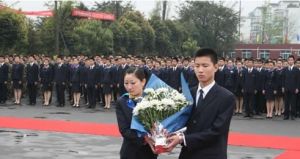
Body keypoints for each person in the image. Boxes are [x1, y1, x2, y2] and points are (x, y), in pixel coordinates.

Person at [165, 48, 235, 159]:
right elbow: (182, 122)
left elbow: (216, 131)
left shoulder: (226, 97)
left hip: (211, 154)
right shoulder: (188, 93)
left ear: (216, 67)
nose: (200, 70)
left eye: (205, 66)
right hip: (188, 154)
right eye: (197, 66)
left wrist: (182, 139)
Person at [115, 67, 157, 159]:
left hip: (149, 151)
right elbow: (124, 130)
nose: (129, 87)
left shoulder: (153, 100)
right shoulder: (122, 102)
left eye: (133, 83)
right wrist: (145, 138)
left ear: (143, 82)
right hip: (130, 152)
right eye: (126, 83)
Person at [282, 55, 299, 120]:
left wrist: (297, 88)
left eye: (291, 60)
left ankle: (293, 115)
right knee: (286, 102)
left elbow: (298, 80)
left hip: (294, 88)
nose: (290, 61)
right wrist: (283, 87)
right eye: (289, 60)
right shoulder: (285, 69)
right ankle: (286, 115)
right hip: (286, 88)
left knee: (293, 102)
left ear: (293, 61)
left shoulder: (296, 70)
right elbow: (283, 79)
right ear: (288, 61)